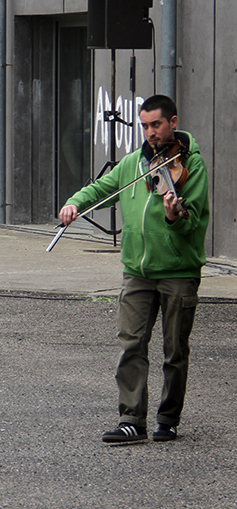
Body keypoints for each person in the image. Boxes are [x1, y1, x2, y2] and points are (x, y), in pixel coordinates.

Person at [59, 94, 208, 444]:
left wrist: (175, 217)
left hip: (177, 270)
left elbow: (195, 220)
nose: (150, 132)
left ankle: (168, 419)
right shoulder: (133, 164)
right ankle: (131, 420)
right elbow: (103, 189)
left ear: (173, 121)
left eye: (156, 124)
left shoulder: (192, 166)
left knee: (175, 351)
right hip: (137, 270)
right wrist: (75, 202)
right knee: (131, 345)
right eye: (144, 126)